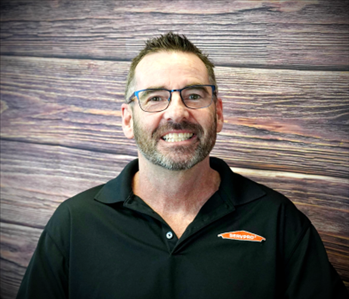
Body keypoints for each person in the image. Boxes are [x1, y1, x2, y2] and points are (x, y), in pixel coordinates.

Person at [17, 32, 348, 299]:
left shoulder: (277, 220)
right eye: (155, 98)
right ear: (127, 120)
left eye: (193, 95)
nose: (176, 113)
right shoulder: (74, 223)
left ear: (217, 113)